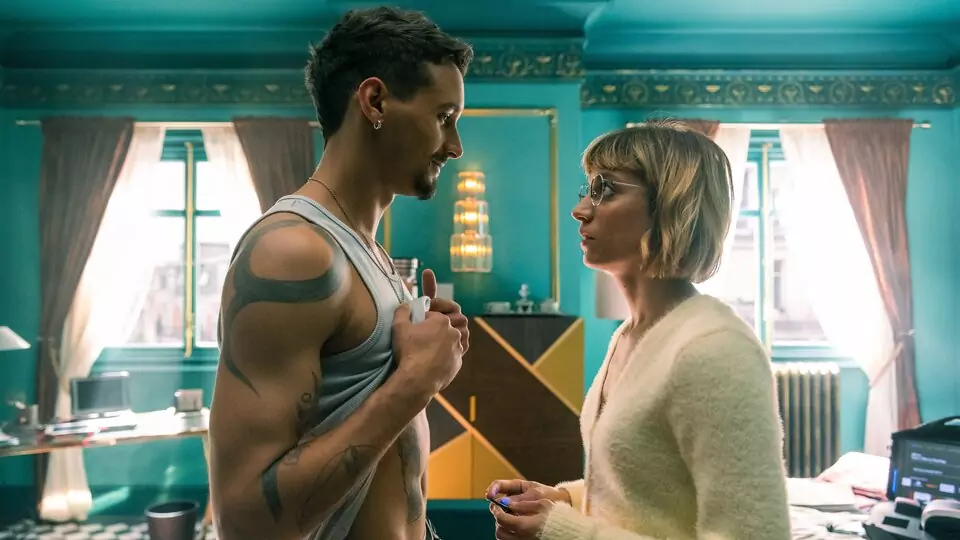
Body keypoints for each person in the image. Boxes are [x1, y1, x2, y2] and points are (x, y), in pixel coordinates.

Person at [207, 7, 473, 540]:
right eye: (444, 117)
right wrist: (415, 382)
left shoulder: (369, 252)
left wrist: (426, 353)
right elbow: (244, 522)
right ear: (375, 102)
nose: (454, 146)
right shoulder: (292, 252)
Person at [486, 120, 791, 539]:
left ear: (670, 205)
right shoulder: (630, 335)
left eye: (606, 190)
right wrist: (564, 499)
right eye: (588, 189)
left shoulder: (715, 349)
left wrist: (561, 531)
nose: (580, 210)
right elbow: (649, 493)